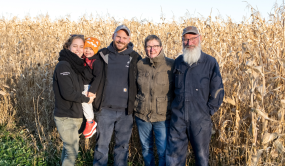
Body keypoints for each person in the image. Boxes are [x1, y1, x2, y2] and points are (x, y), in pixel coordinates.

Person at [166, 26, 224, 166]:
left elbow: (218, 90)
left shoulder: (210, 62)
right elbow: (172, 88)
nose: (189, 43)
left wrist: (208, 111)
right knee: (174, 158)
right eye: (185, 40)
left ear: (200, 38)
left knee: (201, 157)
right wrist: (174, 110)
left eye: (193, 39)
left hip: (200, 120)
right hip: (178, 119)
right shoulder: (179, 62)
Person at [90, 25, 142, 166]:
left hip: (126, 112)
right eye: (118, 36)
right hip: (105, 109)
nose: (121, 40)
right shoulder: (102, 54)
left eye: (124, 38)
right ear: (113, 36)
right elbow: (88, 70)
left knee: (122, 147)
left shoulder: (135, 57)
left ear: (129, 39)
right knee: (101, 147)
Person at [53, 35, 95, 166]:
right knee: (72, 151)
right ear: (68, 47)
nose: (78, 49)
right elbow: (68, 93)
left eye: (81, 47)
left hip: (74, 116)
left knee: (68, 149)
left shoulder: (77, 67)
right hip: (66, 116)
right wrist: (86, 99)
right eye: (75, 46)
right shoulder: (63, 66)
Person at [134, 35, 174, 166]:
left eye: (155, 46)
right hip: (142, 116)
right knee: (146, 149)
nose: (152, 49)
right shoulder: (140, 65)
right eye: (149, 46)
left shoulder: (170, 65)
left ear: (161, 48)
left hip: (162, 117)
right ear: (145, 48)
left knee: (162, 151)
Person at [81, 37, 102, 138]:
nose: (88, 51)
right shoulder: (84, 59)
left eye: (91, 49)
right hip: (84, 85)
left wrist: (92, 91)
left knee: (84, 97)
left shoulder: (96, 61)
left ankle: (90, 121)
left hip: (91, 85)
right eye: (86, 48)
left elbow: (99, 76)